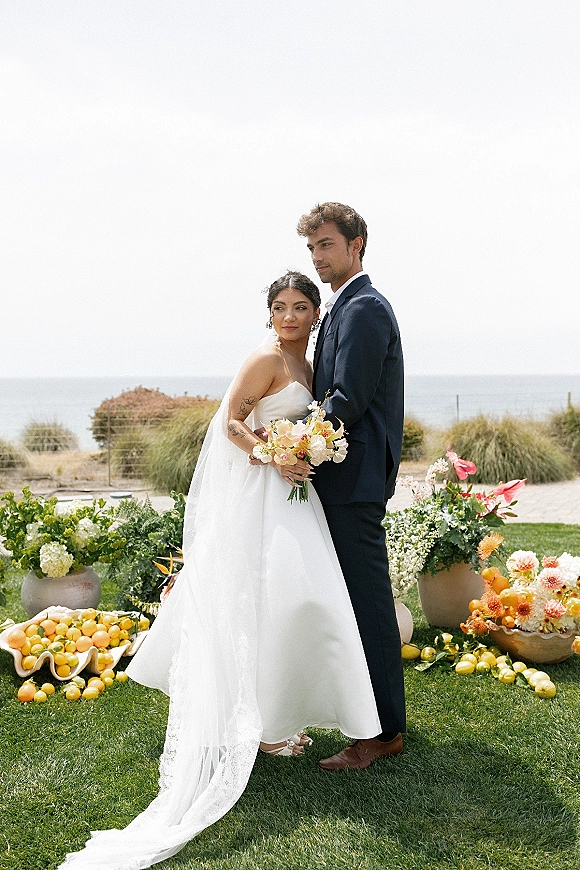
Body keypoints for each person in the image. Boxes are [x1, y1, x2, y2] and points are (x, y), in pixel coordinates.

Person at [58, 270, 381, 870]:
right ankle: (258, 723)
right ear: (270, 315)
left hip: (291, 495)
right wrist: (272, 453)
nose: (289, 316)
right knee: (259, 598)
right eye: (279, 307)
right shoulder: (264, 359)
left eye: (300, 306)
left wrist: (300, 451)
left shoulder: (309, 369)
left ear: (315, 316)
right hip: (261, 492)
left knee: (291, 602)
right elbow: (231, 420)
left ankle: (272, 717)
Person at [296, 202, 406, 771]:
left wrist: (290, 443)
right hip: (342, 477)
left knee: (367, 606)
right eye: (312, 248)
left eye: (328, 246)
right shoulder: (344, 307)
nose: (318, 258)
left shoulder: (364, 309)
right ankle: (370, 718)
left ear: (357, 244)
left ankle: (384, 732)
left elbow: (346, 401)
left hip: (355, 480)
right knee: (354, 603)